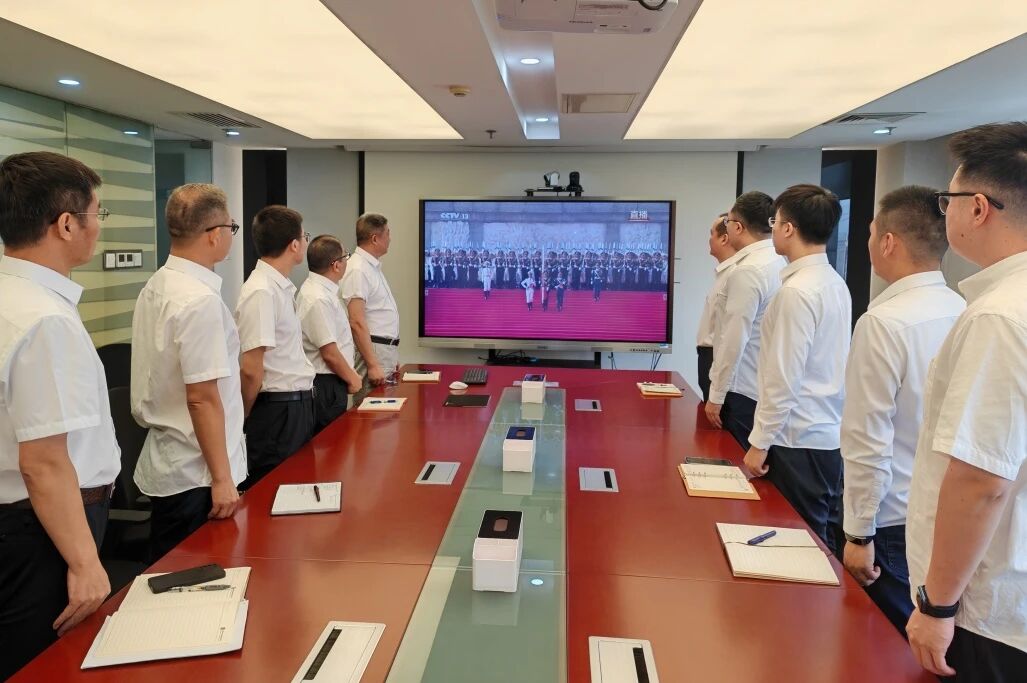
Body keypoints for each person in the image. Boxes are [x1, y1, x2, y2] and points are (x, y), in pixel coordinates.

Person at [905, 122, 1027, 680]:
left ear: (977, 208)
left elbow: (982, 479)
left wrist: (938, 605)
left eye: (946, 200)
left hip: (985, 610)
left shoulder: (999, 316)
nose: (944, 212)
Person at [0, 152, 120, 679]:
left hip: (27, 522)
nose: (98, 227)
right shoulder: (44, 317)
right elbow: (44, 461)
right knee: (42, 664)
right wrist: (85, 562)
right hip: (45, 528)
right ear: (66, 224)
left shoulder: (16, 297)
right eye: (97, 214)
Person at [839, 186, 965, 634]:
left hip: (892, 520)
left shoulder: (883, 323)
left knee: (883, 643)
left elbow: (868, 437)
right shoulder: (965, 310)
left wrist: (858, 533)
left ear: (888, 242)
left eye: (872, 232)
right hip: (951, 518)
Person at [131, 183, 246, 561]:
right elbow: (202, 398)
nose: (231, 235)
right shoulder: (199, 300)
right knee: (196, 578)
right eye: (231, 228)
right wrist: (222, 479)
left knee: (174, 574)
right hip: (198, 475)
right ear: (214, 235)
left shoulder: (157, 285)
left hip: (172, 463)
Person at [742, 184, 851, 553]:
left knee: (797, 543)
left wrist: (759, 443)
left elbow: (783, 378)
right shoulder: (834, 283)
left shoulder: (796, 292)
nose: (772, 229)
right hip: (824, 435)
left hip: (796, 438)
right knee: (817, 540)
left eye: (775, 222)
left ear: (788, 228)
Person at [235, 206, 316, 490]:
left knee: (299, 492)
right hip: (277, 412)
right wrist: (243, 416)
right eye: (304, 237)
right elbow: (251, 369)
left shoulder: (279, 286)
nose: (305, 242)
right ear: (294, 244)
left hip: (295, 407)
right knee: (275, 494)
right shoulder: (261, 291)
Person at [705, 192, 783, 448]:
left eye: (727, 222)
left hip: (741, 390)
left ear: (738, 227)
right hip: (762, 386)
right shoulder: (778, 261)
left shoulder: (748, 270)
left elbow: (734, 337)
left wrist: (716, 395)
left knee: (730, 460)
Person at [297, 235, 362, 435]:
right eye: (346, 256)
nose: (347, 261)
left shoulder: (322, 292)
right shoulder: (318, 298)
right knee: (331, 444)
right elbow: (329, 353)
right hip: (326, 384)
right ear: (336, 265)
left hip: (331, 381)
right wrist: (352, 378)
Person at [341, 213, 400, 406]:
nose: (390, 238)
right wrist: (373, 364)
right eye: (387, 233)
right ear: (375, 238)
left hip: (382, 349)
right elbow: (356, 321)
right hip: (373, 350)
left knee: (385, 414)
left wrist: (391, 353)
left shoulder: (370, 266)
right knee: (372, 414)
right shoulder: (358, 268)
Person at [696, 213, 740, 403]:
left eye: (711, 233)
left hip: (717, 359)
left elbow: (732, 333)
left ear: (724, 238)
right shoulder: (724, 273)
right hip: (709, 357)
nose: (709, 239)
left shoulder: (736, 274)